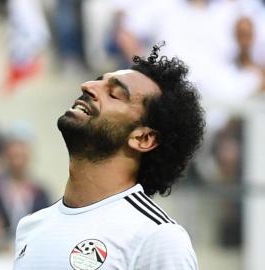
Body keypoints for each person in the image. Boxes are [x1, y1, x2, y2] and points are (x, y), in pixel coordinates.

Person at [13, 44, 205, 270]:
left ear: (143, 138)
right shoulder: (31, 226)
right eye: (98, 80)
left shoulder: (156, 237)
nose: (88, 85)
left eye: (114, 93)